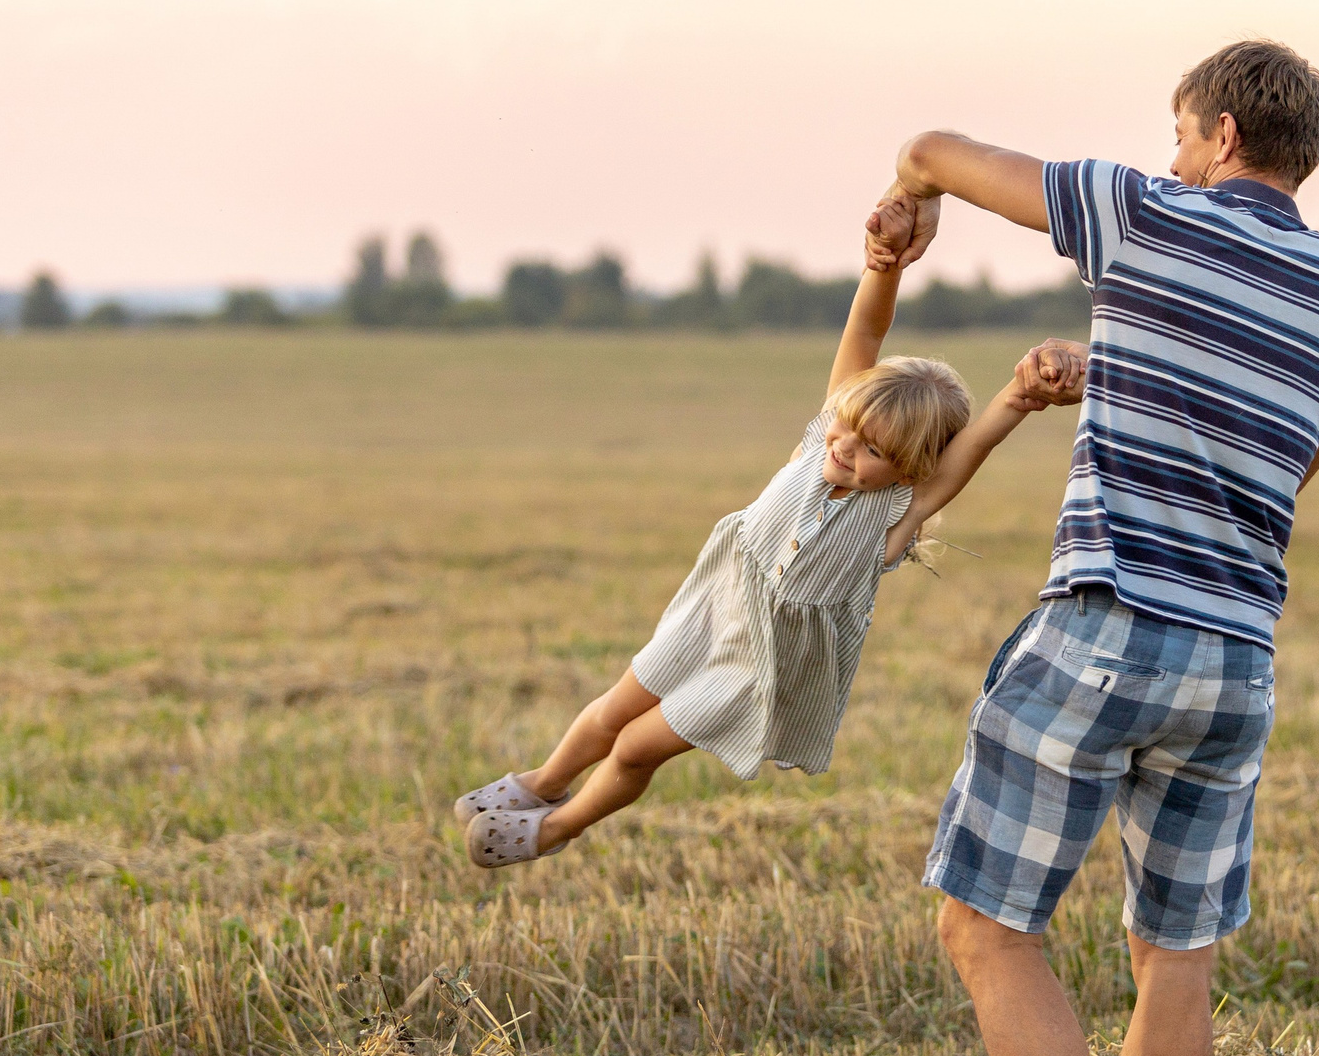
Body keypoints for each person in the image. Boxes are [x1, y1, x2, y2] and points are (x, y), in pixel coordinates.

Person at [866, 40, 1319, 1056]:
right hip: (1236, 659)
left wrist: (908, 199)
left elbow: (941, 148)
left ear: (1215, 134)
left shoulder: (1146, 210)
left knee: (987, 930)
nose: (1167, 157)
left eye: (1175, 136)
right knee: (1175, 959)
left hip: (1106, 622)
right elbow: (1291, 460)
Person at [452, 200, 1077, 867]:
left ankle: (557, 827)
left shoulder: (897, 513)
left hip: (762, 665)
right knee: (611, 710)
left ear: (911, 470)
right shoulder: (819, 444)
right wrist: (883, 264)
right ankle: (540, 783)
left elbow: (975, 444)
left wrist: (1021, 393)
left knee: (636, 747)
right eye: (850, 428)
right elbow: (866, 331)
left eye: (873, 451)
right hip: (713, 608)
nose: (847, 448)